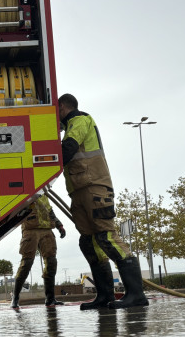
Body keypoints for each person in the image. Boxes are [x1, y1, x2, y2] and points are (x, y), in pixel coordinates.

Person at [58, 93, 148, 310]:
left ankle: (136, 294)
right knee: (89, 242)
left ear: (61, 107)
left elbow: (68, 149)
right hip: (79, 190)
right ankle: (104, 296)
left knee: (106, 236)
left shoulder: (80, 121)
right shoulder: (70, 125)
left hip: (94, 187)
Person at [10, 194, 66, 309]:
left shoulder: (44, 193)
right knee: (26, 263)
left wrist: (59, 225)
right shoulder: (25, 191)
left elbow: (50, 211)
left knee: (51, 262)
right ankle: (15, 298)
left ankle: (50, 299)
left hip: (47, 230)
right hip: (30, 229)